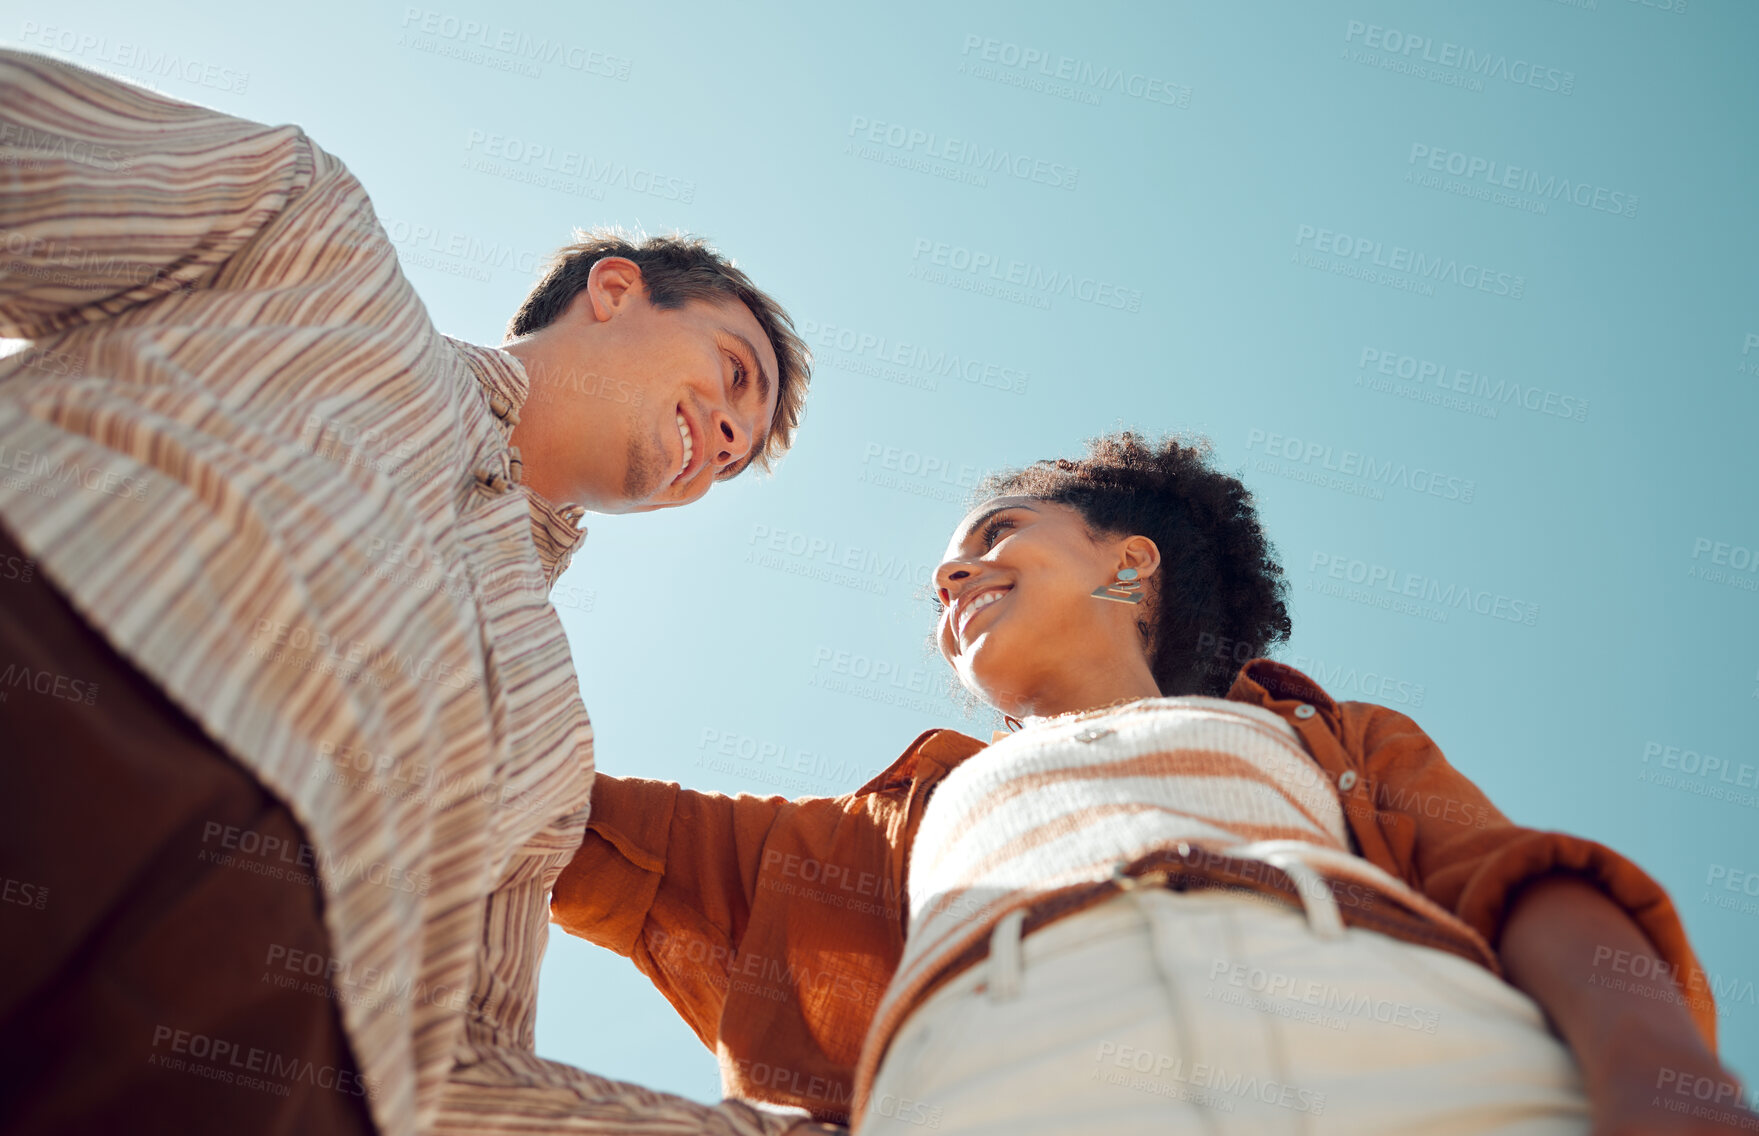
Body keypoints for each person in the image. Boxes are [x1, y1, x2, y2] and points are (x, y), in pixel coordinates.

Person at [0, 49, 837, 1136]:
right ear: (616, 289)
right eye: (733, 373)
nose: (724, 437)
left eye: (737, 454)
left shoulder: (551, 745)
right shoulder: (311, 240)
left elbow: (460, 1069)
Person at [554, 432, 1754, 1133]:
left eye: (996, 534)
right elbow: (551, 808)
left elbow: (1520, 885)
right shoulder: (889, 826)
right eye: (942, 574)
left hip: (1420, 1067)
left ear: (1130, 570)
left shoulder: (1324, 735)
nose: (948, 574)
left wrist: (1672, 1086)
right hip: (1003, 1092)